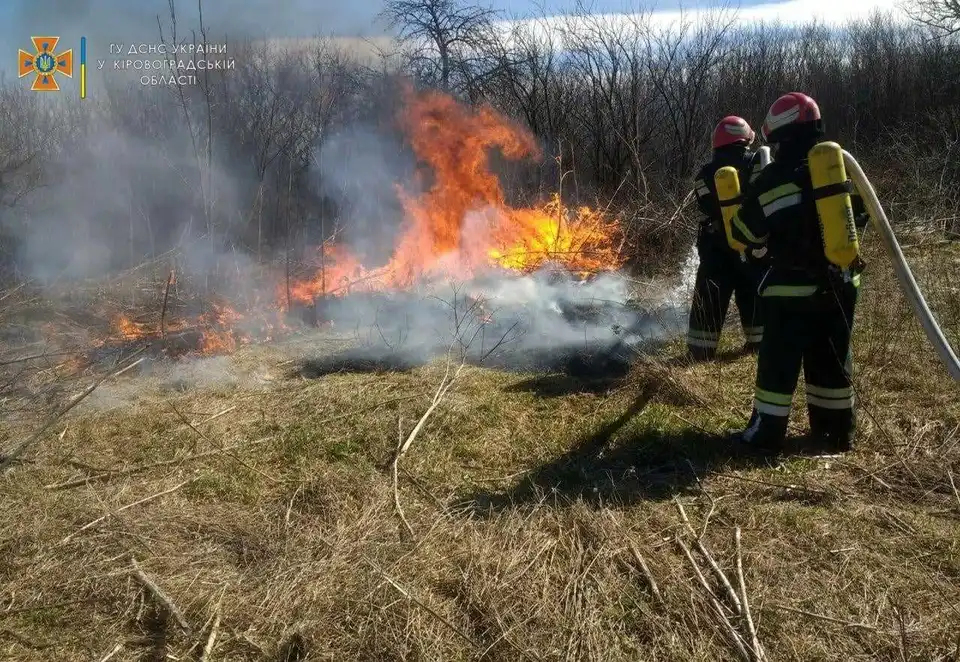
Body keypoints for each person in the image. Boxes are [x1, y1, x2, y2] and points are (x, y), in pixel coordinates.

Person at [729, 92, 870, 455]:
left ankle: (765, 434)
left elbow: (743, 234)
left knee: (778, 363)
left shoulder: (773, 180)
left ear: (779, 135)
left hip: (790, 292)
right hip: (840, 285)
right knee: (832, 359)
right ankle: (836, 430)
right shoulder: (839, 171)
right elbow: (864, 217)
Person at [686, 116, 768, 361]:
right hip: (748, 243)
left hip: (714, 247)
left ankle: (700, 350)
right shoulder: (756, 163)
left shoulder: (704, 173)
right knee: (752, 291)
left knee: (709, 295)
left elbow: (705, 205)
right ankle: (759, 342)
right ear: (744, 139)